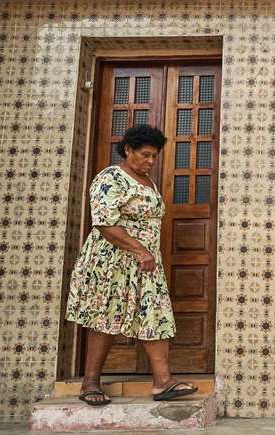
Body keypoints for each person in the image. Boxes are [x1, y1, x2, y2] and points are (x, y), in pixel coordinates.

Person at [66, 125, 196, 406]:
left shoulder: (147, 181)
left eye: (154, 156)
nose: (151, 161)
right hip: (112, 261)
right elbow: (104, 223)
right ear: (128, 150)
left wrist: (146, 254)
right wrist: (139, 250)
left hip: (144, 263)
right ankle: (90, 382)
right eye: (145, 154)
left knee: (155, 313)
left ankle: (163, 382)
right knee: (105, 317)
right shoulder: (110, 178)